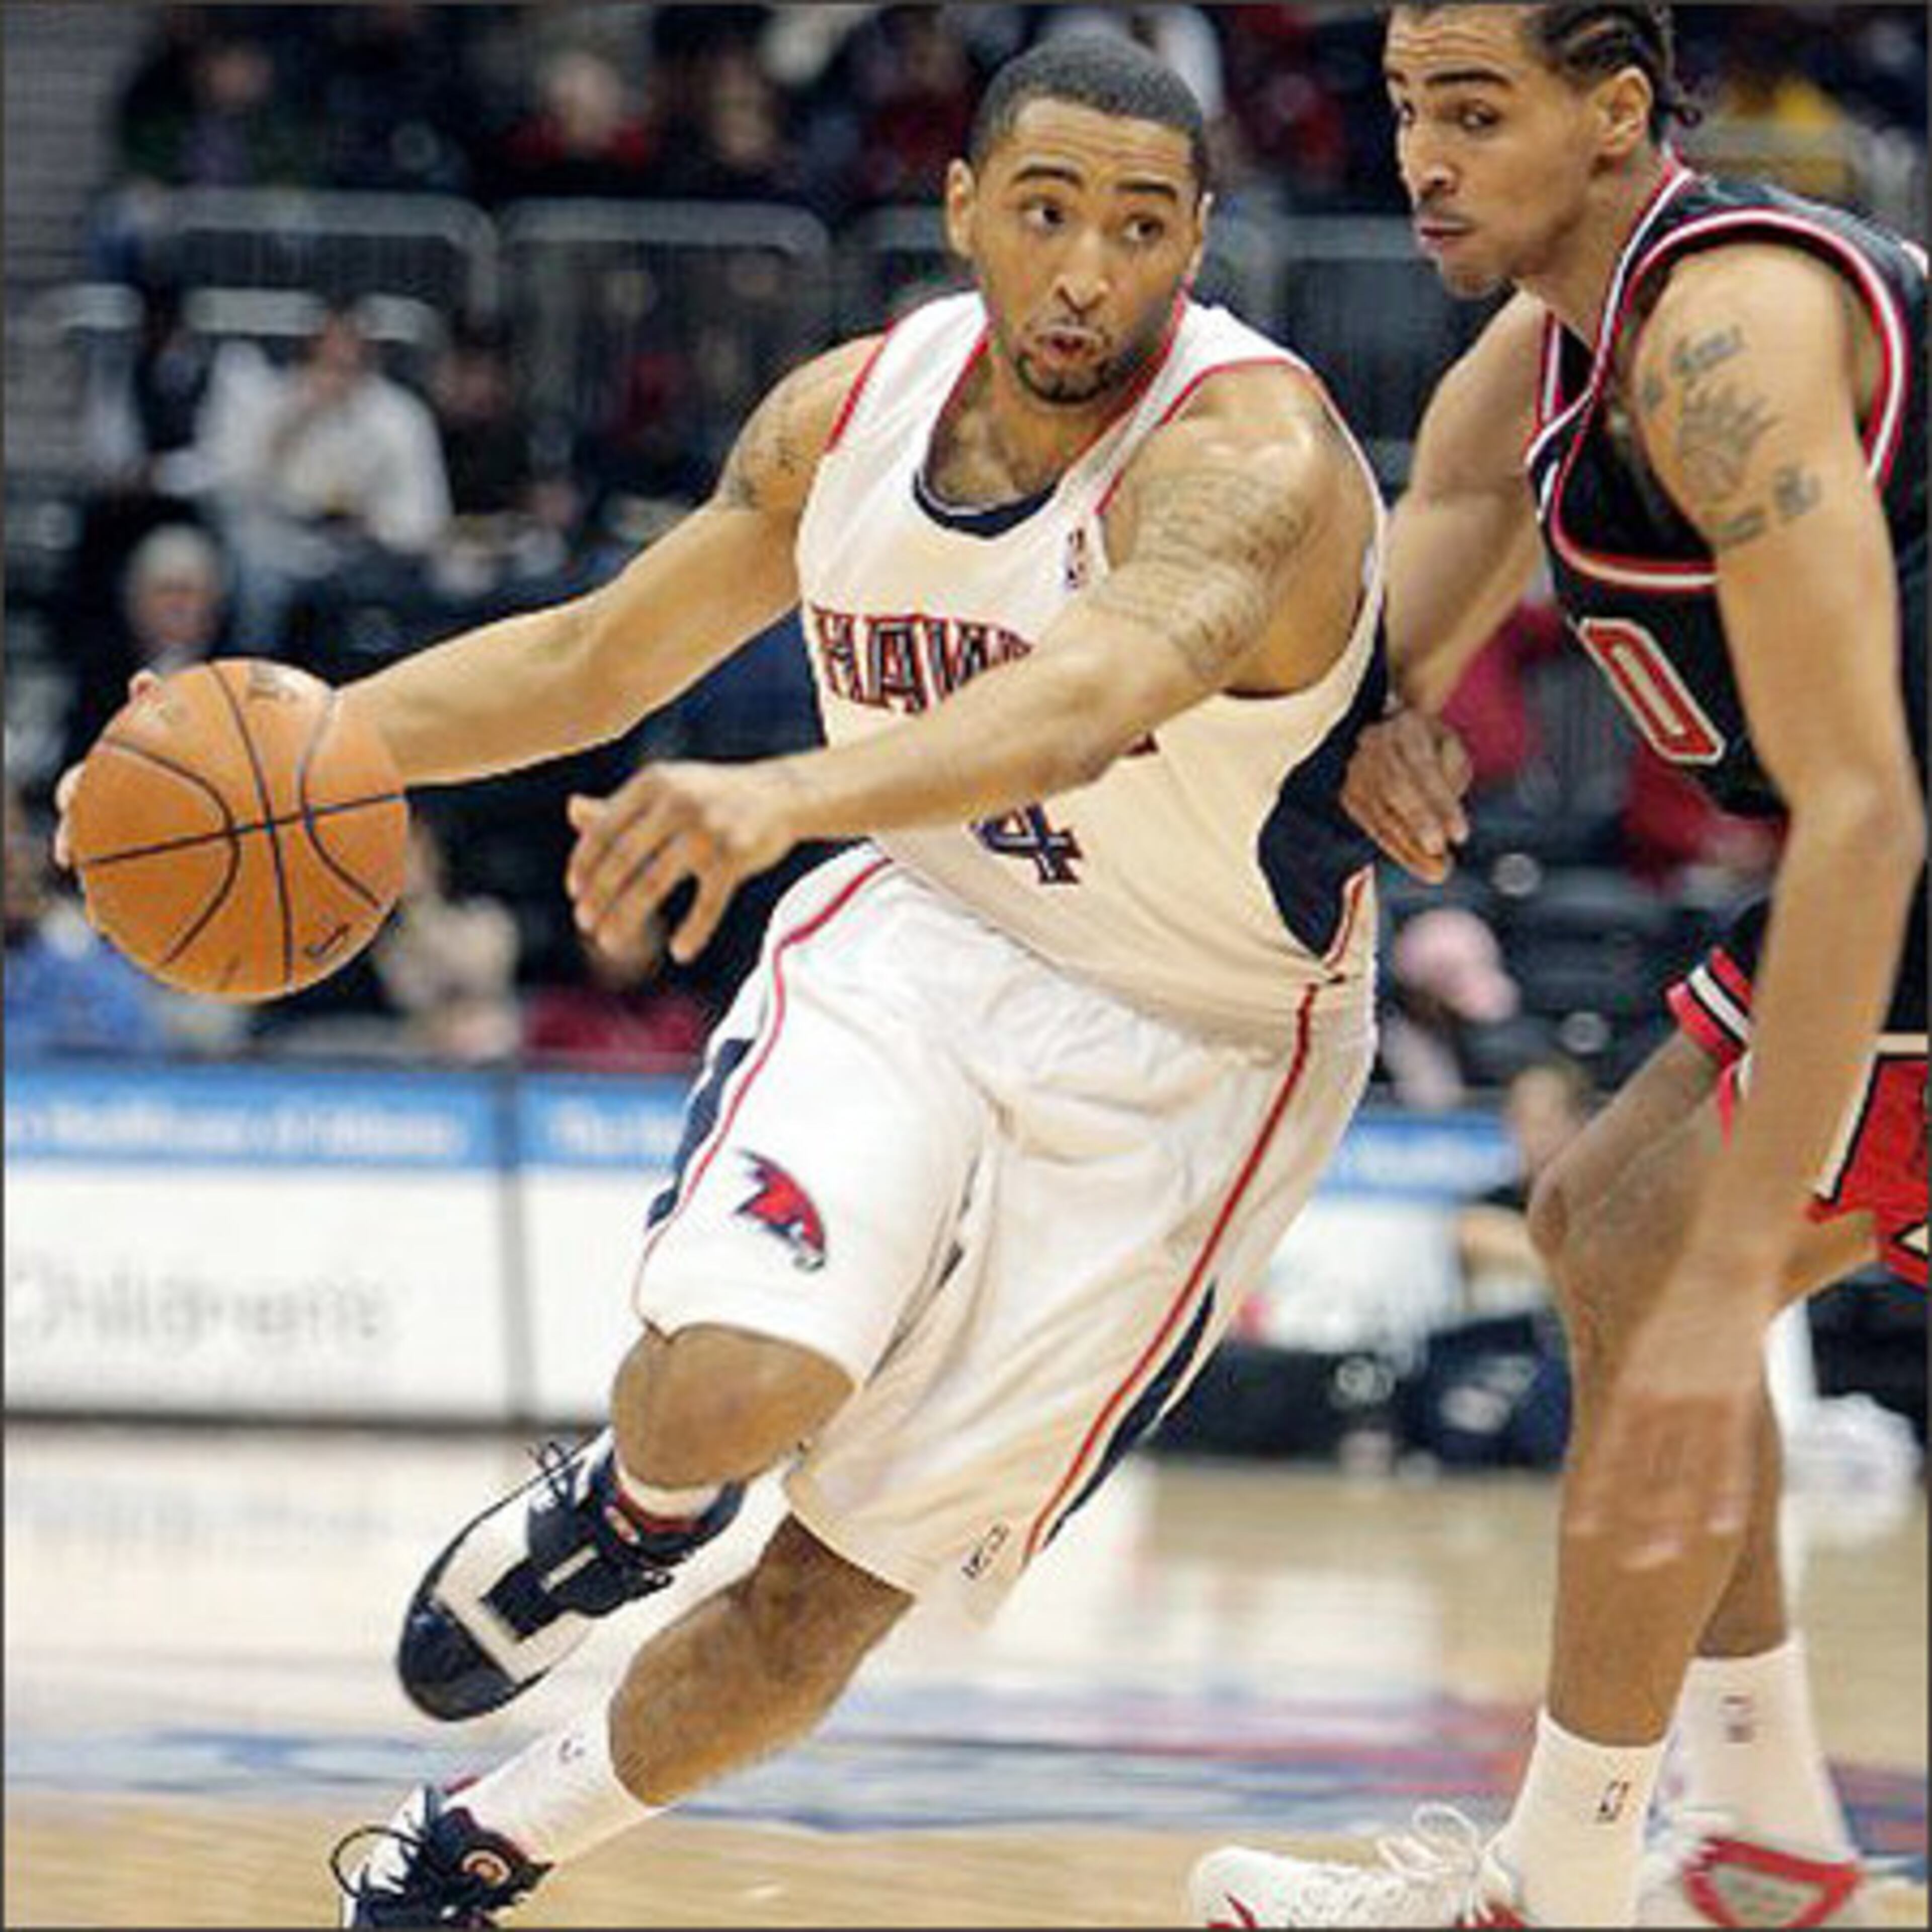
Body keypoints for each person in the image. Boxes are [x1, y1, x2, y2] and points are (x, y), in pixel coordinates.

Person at [52, 35, 1387, 1923]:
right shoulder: (848, 415)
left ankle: (471, 1853)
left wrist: (782, 790)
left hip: (1202, 1051)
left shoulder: (1249, 458)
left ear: (1197, 245)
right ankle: (623, 1507)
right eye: (1048, 212)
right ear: (963, 212)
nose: (1089, 268)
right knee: (726, 1389)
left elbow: (1089, 702)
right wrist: (295, 749)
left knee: (828, 1599)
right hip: (928, 937)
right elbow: (598, 657)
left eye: (1141, 227)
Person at [1189, 5, 1925, 1928]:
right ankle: (1756, 1844)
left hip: (1900, 846)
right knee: (1612, 1225)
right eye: (1409, 109)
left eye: (1478, 111)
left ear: (1615, 116)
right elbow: (1366, 679)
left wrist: (1727, 1297)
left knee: (1663, 1257)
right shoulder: (1534, 367)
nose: (1424, 156)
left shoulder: (1727, 336)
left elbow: (1860, 817)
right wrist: (1377, 736)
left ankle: (1570, 1886)